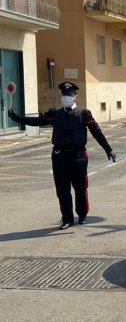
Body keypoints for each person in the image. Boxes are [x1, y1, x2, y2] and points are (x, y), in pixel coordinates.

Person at [8, 81, 117, 230]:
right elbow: (36, 121)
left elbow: (96, 131)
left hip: (78, 157)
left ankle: (82, 214)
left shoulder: (84, 114)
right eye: (65, 94)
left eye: (70, 94)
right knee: (62, 190)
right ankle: (67, 219)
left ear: (76, 97)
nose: (67, 97)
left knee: (80, 188)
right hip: (59, 157)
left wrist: (108, 149)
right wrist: (17, 118)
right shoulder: (55, 114)